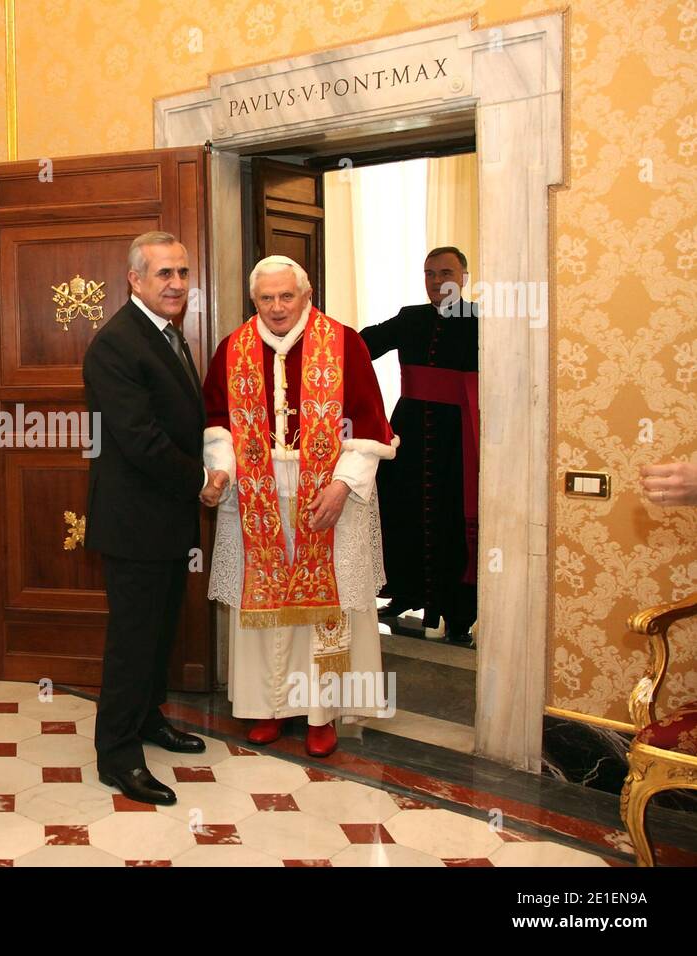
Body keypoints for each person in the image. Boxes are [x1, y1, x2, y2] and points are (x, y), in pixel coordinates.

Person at [202, 256, 397, 758]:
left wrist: (341, 487)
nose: (276, 307)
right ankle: (269, 706)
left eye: (286, 297)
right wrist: (220, 471)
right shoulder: (233, 348)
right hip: (256, 493)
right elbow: (218, 420)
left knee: (326, 606)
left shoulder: (344, 342)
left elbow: (370, 423)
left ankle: (322, 713)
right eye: (266, 298)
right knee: (264, 602)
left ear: (306, 296)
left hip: (330, 490)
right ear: (254, 301)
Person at [82, 231, 228, 806]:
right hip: (134, 520)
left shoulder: (169, 335)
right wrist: (201, 480)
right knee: (132, 639)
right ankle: (117, 753)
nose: (175, 284)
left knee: (161, 631)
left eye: (182, 273)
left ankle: (147, 719)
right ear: (134, 280)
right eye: (163, 274)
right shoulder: (115, 344)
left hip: (167, 518)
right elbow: (141, 440)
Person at [361, 247, 479, 646]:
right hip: (409, 430)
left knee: (452, 520)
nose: (435, 280)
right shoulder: (411, 317)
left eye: (445, 271)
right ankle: (404, 592)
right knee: (401, 509)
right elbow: (361, 346)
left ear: (464, 276)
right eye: (428, 273)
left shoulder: (481, 321)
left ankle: (457, 613)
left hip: (459, 435)